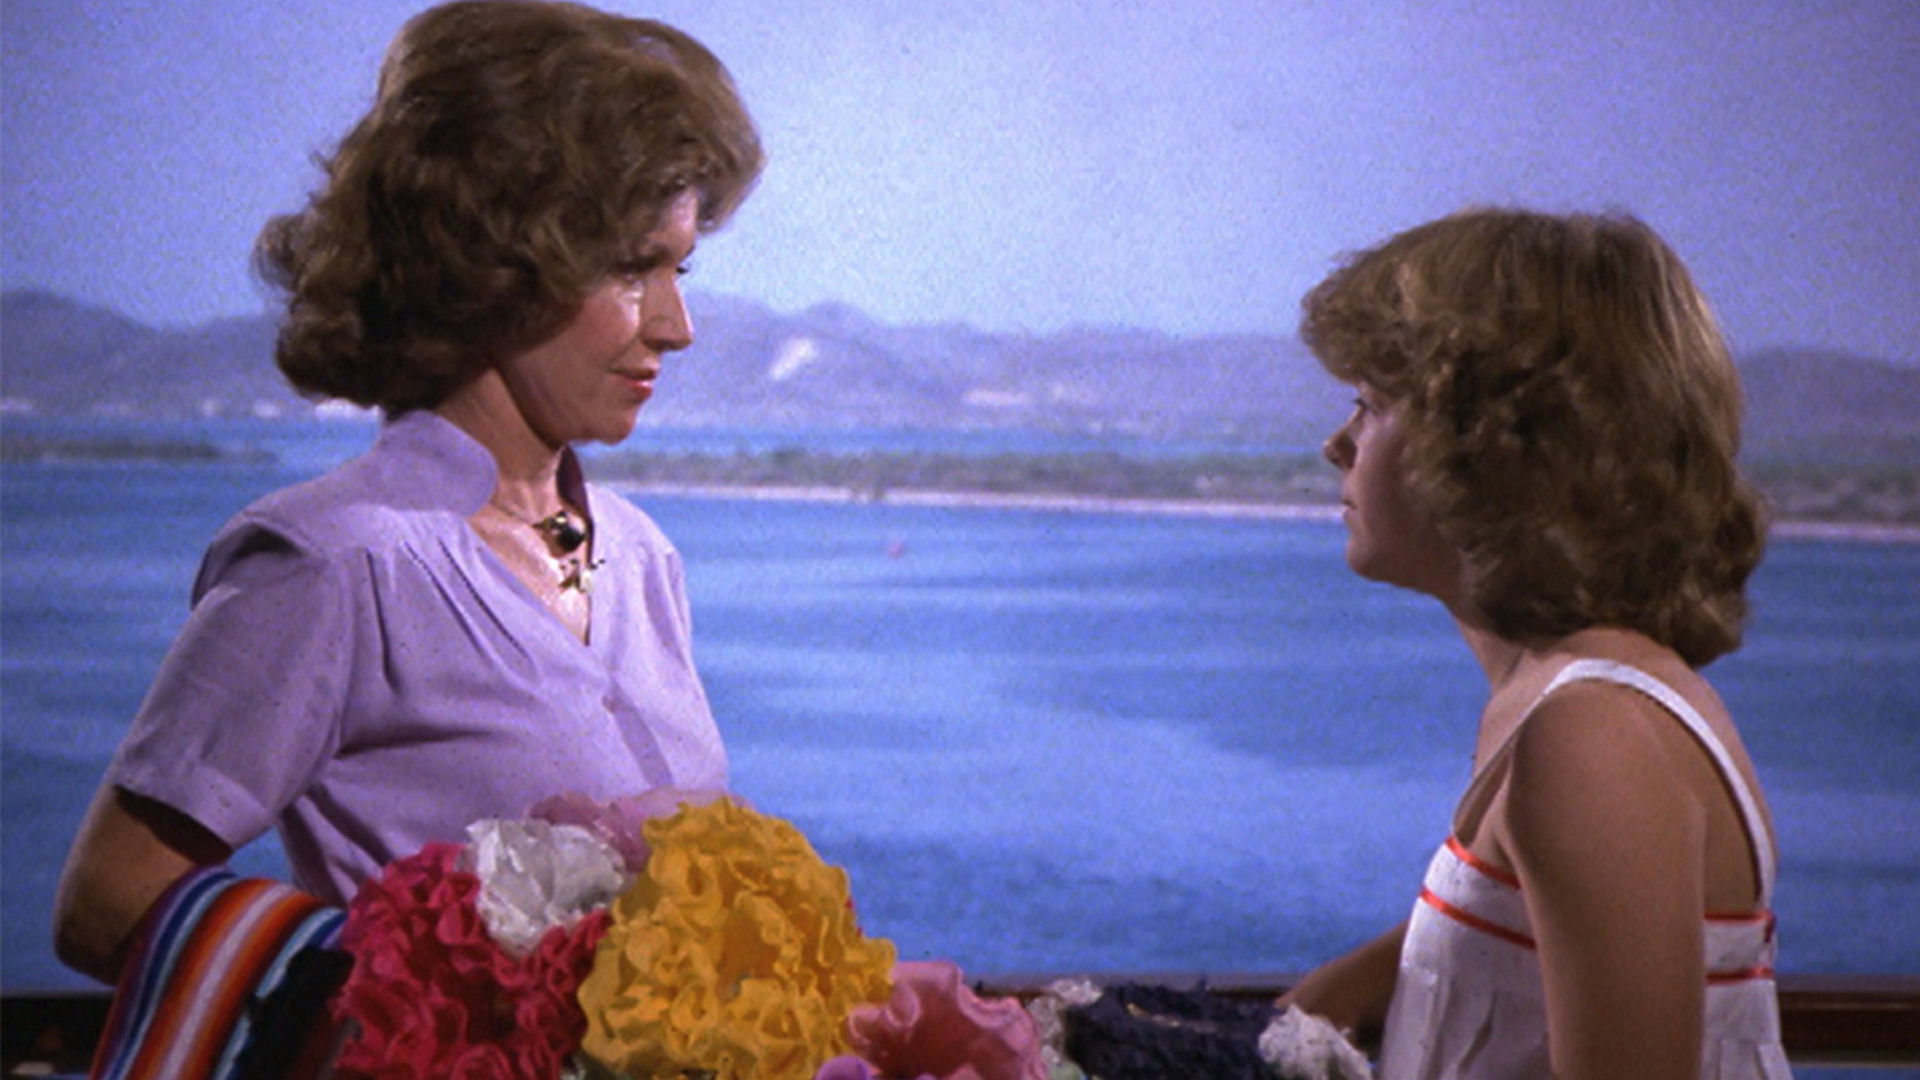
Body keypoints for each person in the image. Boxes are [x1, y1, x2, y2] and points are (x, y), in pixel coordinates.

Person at [54, 0, 763, 987]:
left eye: (679, 267)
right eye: (633, 268)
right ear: (492, 267)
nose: (678, 325)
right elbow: (106, 910)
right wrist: (424, 1011)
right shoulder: (334, 566)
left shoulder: (640, 557)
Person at [1279, 209, 1791, 1078]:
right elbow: (1542, 938)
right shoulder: (1569, 705)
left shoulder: (1592, 739)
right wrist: (1346, 993)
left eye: (1370, 406)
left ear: (1493, 444)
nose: (1337, 445)